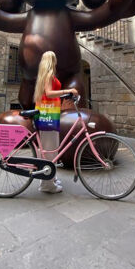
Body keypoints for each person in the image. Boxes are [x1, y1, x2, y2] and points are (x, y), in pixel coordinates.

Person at [33, 51, 78, 193]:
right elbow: (49, 93)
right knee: (50, 149)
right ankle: (47, 185)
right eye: (55, 59)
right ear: (51, 60)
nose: (56, 61)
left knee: (50, 149)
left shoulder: (45, 75)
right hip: (49, 116)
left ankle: (50, 178)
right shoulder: (48, 75)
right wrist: (68, 90)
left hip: (49, 115)